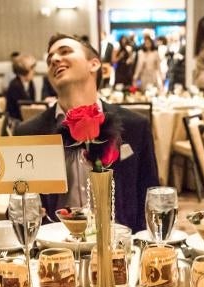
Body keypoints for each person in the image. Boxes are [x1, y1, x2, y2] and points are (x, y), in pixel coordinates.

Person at [15, 34, 159, 234]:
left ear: (94, 64)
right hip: (55, 252)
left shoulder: (135, 127)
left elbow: (150, 200)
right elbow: (16, 211)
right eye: (50, 59)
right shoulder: (28, 134)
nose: (55, 59)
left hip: (119, 248)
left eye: (65, 51)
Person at [4, 53, 36, 122]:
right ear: (24, 71)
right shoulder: (15, 85)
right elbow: (24, 107)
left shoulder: (30, 83)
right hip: (15, 121)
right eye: (32, 69)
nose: (34, 71)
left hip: (26, 119)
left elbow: (31, 104)